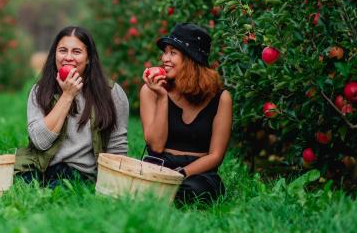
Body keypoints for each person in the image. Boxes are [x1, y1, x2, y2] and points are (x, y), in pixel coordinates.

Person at [15, 26, 129, 187]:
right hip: (41, 167)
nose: (68, 57)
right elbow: (40, 142)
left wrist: (114, 184)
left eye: (76, 52)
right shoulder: (40, 90)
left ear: (88, 58)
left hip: (80, 173)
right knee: (12, 185)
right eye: (62, 50)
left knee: (58, 190)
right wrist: (67, 95)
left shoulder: (112, 93)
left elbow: (117, 145)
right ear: (55, 54)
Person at [140, 23, 232, 205]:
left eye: (173, 53)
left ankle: (164, 195)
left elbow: (216, 156)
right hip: (160, 164)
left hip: (197, 172)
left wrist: (180, 174)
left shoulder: (221, 98)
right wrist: (162, 97)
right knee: (147, 185)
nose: (164, 58)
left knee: (195, 191)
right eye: (165, 52)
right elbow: (156, 146)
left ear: (191, 58)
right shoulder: (150, 91)